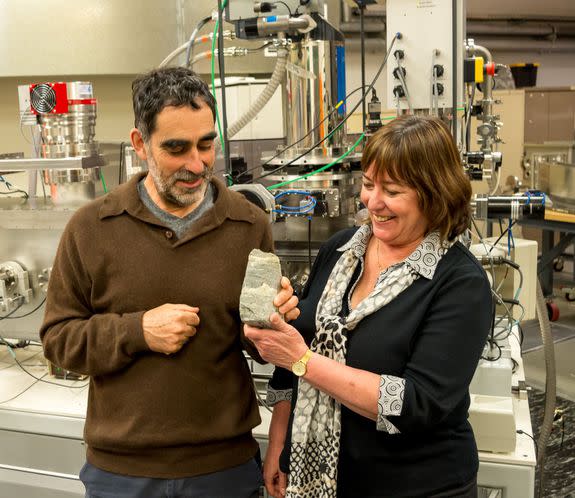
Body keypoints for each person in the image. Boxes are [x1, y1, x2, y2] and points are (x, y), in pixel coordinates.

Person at [40, 66, 299, 498]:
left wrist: (272, 323)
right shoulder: (92, 227)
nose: (196, 164)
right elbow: (58, 340)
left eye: (206, 144)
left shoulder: (247, 223)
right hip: (122, 472)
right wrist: (136, 331)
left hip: (223, 469)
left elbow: (257, 345)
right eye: (176, 148)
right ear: (140, 143)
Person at [245, 115, 493, 498]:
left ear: (434, 193)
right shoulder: (342, 250)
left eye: (391, 191)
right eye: (367, 184)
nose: (372, 201)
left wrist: (303, 360)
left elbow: (414, 403)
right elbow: (298, 347)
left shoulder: (460, 283)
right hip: (327, 480)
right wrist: (280, 441)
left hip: (417, 486)